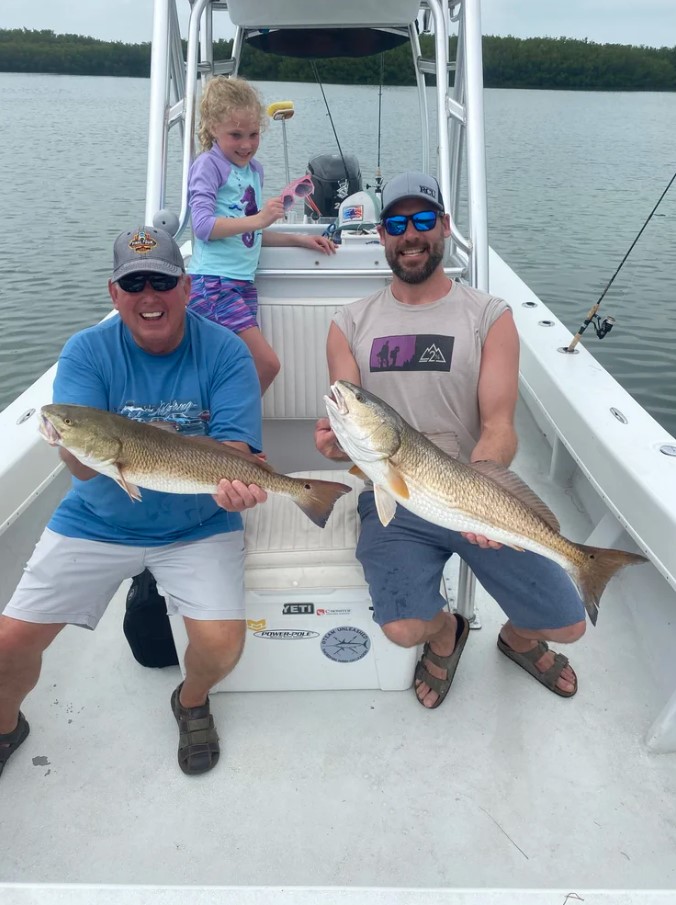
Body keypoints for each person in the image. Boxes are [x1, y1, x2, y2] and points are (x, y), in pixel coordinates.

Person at [0, 226, 269, 779]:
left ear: (187, 288)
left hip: (198, 523)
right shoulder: (86, 351)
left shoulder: (225, 351)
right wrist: (69, 440)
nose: (150, 296)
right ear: (113, 293)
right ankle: (6, 726)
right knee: (8, 643)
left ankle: (191, 700)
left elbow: (237, 450)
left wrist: (237, 485)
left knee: (222, 647)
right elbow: (80, 461)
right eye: (134, 283)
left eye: (162, 281)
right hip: (97, 518)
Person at [314, 171, 587, 709]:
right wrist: (334, 443)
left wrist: (483, 492)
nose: (410, 234)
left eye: (422, 220)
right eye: (396, 223)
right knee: (402, 629)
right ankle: (446, 631)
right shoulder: (349, 323)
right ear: (382, 235)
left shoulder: (490, 316)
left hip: (472, 487)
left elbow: (500, 426)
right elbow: (346, 415)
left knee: (570, 626)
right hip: (391, 497)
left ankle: (518, 636)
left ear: (442, 226)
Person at [187, 76, 336, 394]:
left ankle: (219, 435)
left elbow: (249, 233)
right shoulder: (209, 166)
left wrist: (300, 240)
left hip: (241, 284)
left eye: (253, 134)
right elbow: (202, 227)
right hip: (213, 284)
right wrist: (258, 220)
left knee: (230, 369)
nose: (246, 144)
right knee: (267, 364)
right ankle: (227, 432)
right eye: (235, 135)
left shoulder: (254, 171)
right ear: (214, 128)